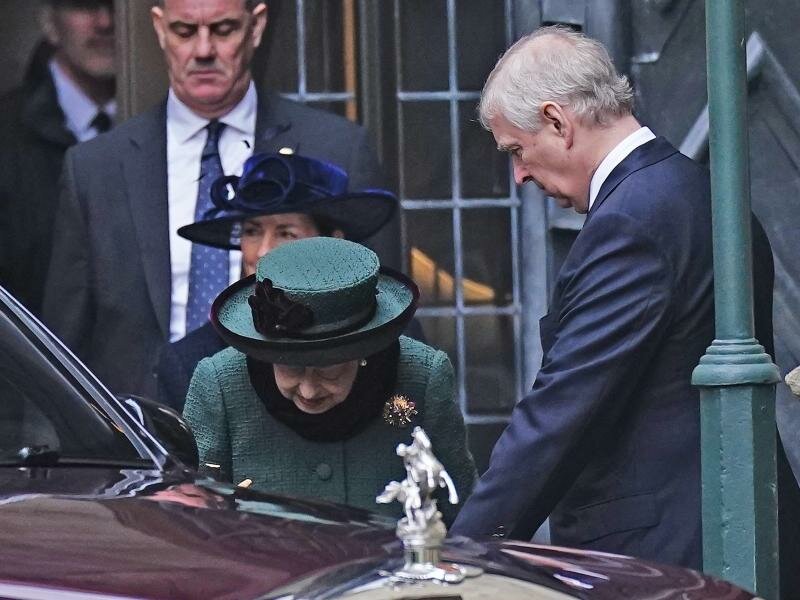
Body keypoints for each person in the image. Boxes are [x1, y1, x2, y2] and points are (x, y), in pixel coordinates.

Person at [450, 25, 800, 578]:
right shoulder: (699, 193)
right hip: (738, 533)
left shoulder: (632, 222)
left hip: (669, 559)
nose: (518, 175)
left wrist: (460, 554)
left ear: (557, 122)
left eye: (517, 150)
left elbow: (563, 410)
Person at [41, 0, 390, 398]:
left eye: (223, 30)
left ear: (255, 27)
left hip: (289, 415)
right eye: (185, 31)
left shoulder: (337, 150)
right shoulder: (94, 168)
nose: (204, 50)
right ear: (160, 29)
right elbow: (59, 347)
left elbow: (384, 315)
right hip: (138, 424)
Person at [183, 236, 477, 522]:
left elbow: (463, 512)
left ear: (362, 352)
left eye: (328, 370)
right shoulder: (219, 384)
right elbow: (190, 520)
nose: (309, 391)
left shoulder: (422, 376)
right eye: (291, 368)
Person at [155, 151, 398, 411]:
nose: (263, 251)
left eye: (286, 234)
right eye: (252, 231)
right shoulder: (190, 362)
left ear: (333, 242)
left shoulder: (393, 337)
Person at [0, 0, 115, 314]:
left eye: (116, 6)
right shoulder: (8, 135)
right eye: (85, 5)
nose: (105, 22)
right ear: (49, 22)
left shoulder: (169, 126)